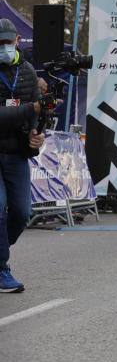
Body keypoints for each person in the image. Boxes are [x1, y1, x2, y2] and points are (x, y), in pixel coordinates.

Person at [0, 18, 45, 292]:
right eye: (0, 43)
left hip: (17, 154)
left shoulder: (28, 71)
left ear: (17, 41)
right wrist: (32, 111)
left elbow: (37, 118)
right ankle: (2, 267)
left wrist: (36, 137)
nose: (4, 47)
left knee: (22, 212)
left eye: (8, 41)